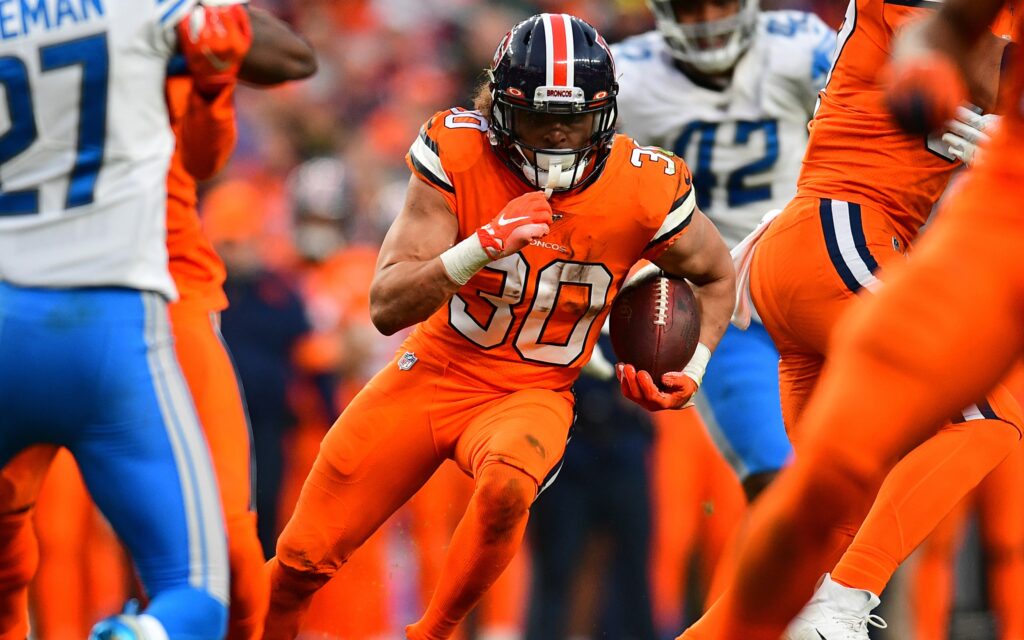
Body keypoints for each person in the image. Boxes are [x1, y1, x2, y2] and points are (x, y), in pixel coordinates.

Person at [263, 12, 736, 640]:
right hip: (435, 372)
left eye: (575, 120)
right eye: (542, 119)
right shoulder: (460, 154)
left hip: (533, 391)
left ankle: (433, 631)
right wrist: (478, 246)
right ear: (502, 111)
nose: (559, 139)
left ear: (606, 115)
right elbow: (386, 306)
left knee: (509, 486)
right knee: (300, 559)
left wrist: (694, 365)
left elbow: (715, 274)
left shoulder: (645, 187)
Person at [678, 0, 1024, 638]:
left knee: (820, 535)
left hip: (824, 251)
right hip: (842, 237)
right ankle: (843, 605)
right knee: (992, 411)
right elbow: (983, 69)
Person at [0, 0, 255, 637]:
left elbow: (203, 156)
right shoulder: (148, 17)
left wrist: (215, 78)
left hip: (161, 289)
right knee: (27, 543)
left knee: (229, 543)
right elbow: (289, 55)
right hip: (64, 300)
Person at [613, 0, 835, 502]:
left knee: (859, 474)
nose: (708, 20)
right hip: (720, 302)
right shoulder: (628, 75)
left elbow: (875, 112)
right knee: (777, 487)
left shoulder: (798, 45)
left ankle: (862, 582)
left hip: (817, 279)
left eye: (721, 3)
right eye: (692, 7)